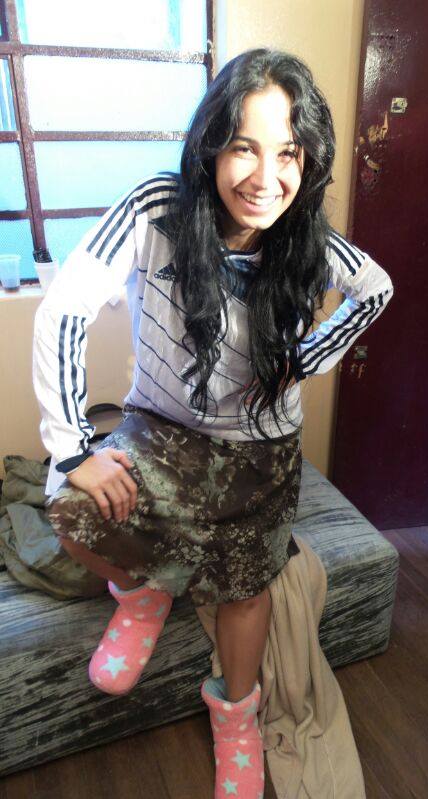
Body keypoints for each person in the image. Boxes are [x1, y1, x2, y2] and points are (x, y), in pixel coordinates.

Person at [32, 47, 394, 799]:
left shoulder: (303, 236)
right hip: (159, 427)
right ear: (210, 147)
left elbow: (376, 288)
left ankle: (235, 717)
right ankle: (143, 593)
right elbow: (64, 307)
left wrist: (306, 358)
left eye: (287, 152)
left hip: (262, 450)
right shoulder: (155, 210)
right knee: (70, 506)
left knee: (247, 587)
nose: (266, 177)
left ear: (307, 159)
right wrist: (73, 450)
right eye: (244, 147)